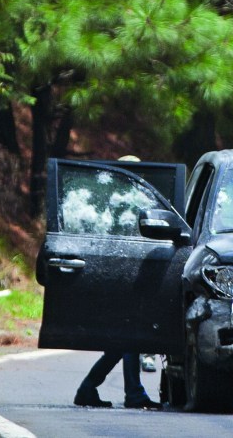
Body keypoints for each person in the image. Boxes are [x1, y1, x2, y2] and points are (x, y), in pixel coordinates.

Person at [73, 154, 161, 410]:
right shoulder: (121, 202)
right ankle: (132, 393)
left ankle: (88, 388)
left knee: (121, 341)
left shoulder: (110, 201)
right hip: (122, 274)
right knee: (129, 336)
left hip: (118, 273)